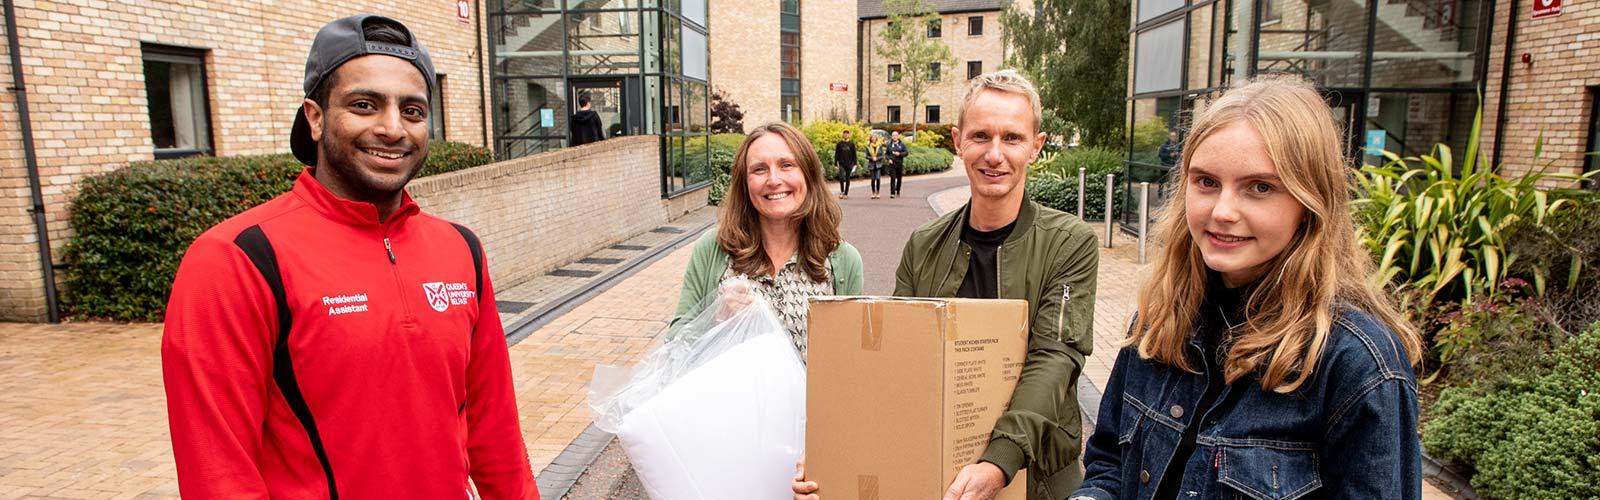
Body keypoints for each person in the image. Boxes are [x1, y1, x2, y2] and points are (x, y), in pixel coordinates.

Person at [161, 15, 539, 500]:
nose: (391, 128)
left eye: (413, 111)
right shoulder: (235, 259)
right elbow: (218, 470)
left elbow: (495, 430)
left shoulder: (460, 249)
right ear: (315, 118)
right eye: (364, 105)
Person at [1069, 76, 1424, 500]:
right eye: (1206, 182)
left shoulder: (1357, 365)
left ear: (1310, 204)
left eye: (1260, 188)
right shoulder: (1161, 320)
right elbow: (1110, 459)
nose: (1222, 211)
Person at [794, 70, 1099, 500]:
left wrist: (1000, 461)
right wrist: (831, 457)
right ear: (958, 142)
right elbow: (893, 368)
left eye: (1012, 138)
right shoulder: (924, 245)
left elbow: (1055, 360)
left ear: (1036, 146)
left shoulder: (1069, 243)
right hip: (936, 481)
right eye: (980, 136)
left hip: (1036, 483)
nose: (994, 154)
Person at [671, 122, 865, 360]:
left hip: (811, 399)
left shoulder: (843, 260)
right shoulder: (713, 248)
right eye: (759, 169)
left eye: (786, 165)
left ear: (808, 174)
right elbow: (674, 346)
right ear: (745, 183)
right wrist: (716, 318)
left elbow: (853, 358)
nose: (774, 180)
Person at [835, 129, 857, 199]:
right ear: (843, 135)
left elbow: (854, 154)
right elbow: (837, 154)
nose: (845, 135)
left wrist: (855, 163)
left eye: (847, 134)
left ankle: (846, 193)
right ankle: (842, 191)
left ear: (849, 135)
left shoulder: (852, 144)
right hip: (842, 163)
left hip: (849, 163)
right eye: (844, 134)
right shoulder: (839, 144)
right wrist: (835, 163)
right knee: (841, 177)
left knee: (847, 178)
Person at [886, 130, 909, 198]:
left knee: (899, 178)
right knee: (893, 178)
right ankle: (892, 193)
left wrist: (900, 154)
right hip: (892, 164)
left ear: (898, 136)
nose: (894, 137)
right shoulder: (889, 145)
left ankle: (898, 190)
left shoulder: (902, 144)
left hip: (899, 164)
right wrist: (888, 159)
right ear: (892, 137)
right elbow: (886, 154)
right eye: (893, 136)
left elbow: (906, 153)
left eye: (896, 135)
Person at [865, 134, 886, 199]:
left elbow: (882, 155)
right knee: (873, 179)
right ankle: (873, 192)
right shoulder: (868, 146)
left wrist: (877, 158)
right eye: (872, 138)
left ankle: (878, 192)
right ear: (870, 139)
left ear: (876, 139)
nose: (873, 139)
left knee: (878, 178)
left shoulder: (880, 146)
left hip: (878, 164)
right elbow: (866, 156)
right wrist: (872, 158)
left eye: (874, 138)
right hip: (871, 164)